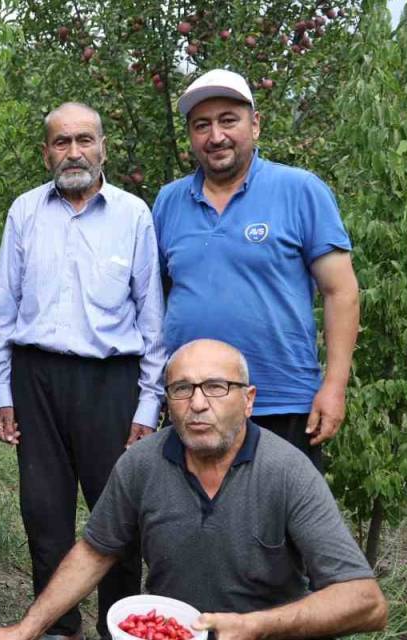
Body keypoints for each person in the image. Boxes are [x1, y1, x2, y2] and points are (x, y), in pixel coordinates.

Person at [0, 339, 388, 640]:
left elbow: (366, 602)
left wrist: (255, 626)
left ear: (248, 400)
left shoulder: (287, 472)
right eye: (182, 389)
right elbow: (95, 551)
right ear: (166, 401)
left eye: (216, 387)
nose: (198, 403)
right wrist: (26, 629)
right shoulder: (141, 463)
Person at [0, 102, 165, 640]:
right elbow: (4, 310)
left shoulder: (134, 214)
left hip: (111, 381)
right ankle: (59, 627)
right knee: (44, 516)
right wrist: (0, 392)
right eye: (61, 142)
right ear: (46, 153)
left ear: (102, 147)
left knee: (120, 517)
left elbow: (152, 320)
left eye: (84, 139)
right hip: (34, 379)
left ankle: (121, 626)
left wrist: (148, 405)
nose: (73, 152)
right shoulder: (25, 211)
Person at [153, 69, 361, 470]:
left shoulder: (300, 190)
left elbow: (342, 292)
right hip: (190, 405)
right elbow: (155, 298)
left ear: (255, 123)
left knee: (281, 528)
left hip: (281, 399)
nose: (215, 136)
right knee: (194, 527)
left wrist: (334, 387)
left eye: (228, 120)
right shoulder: (168, 202)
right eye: (202, 125)